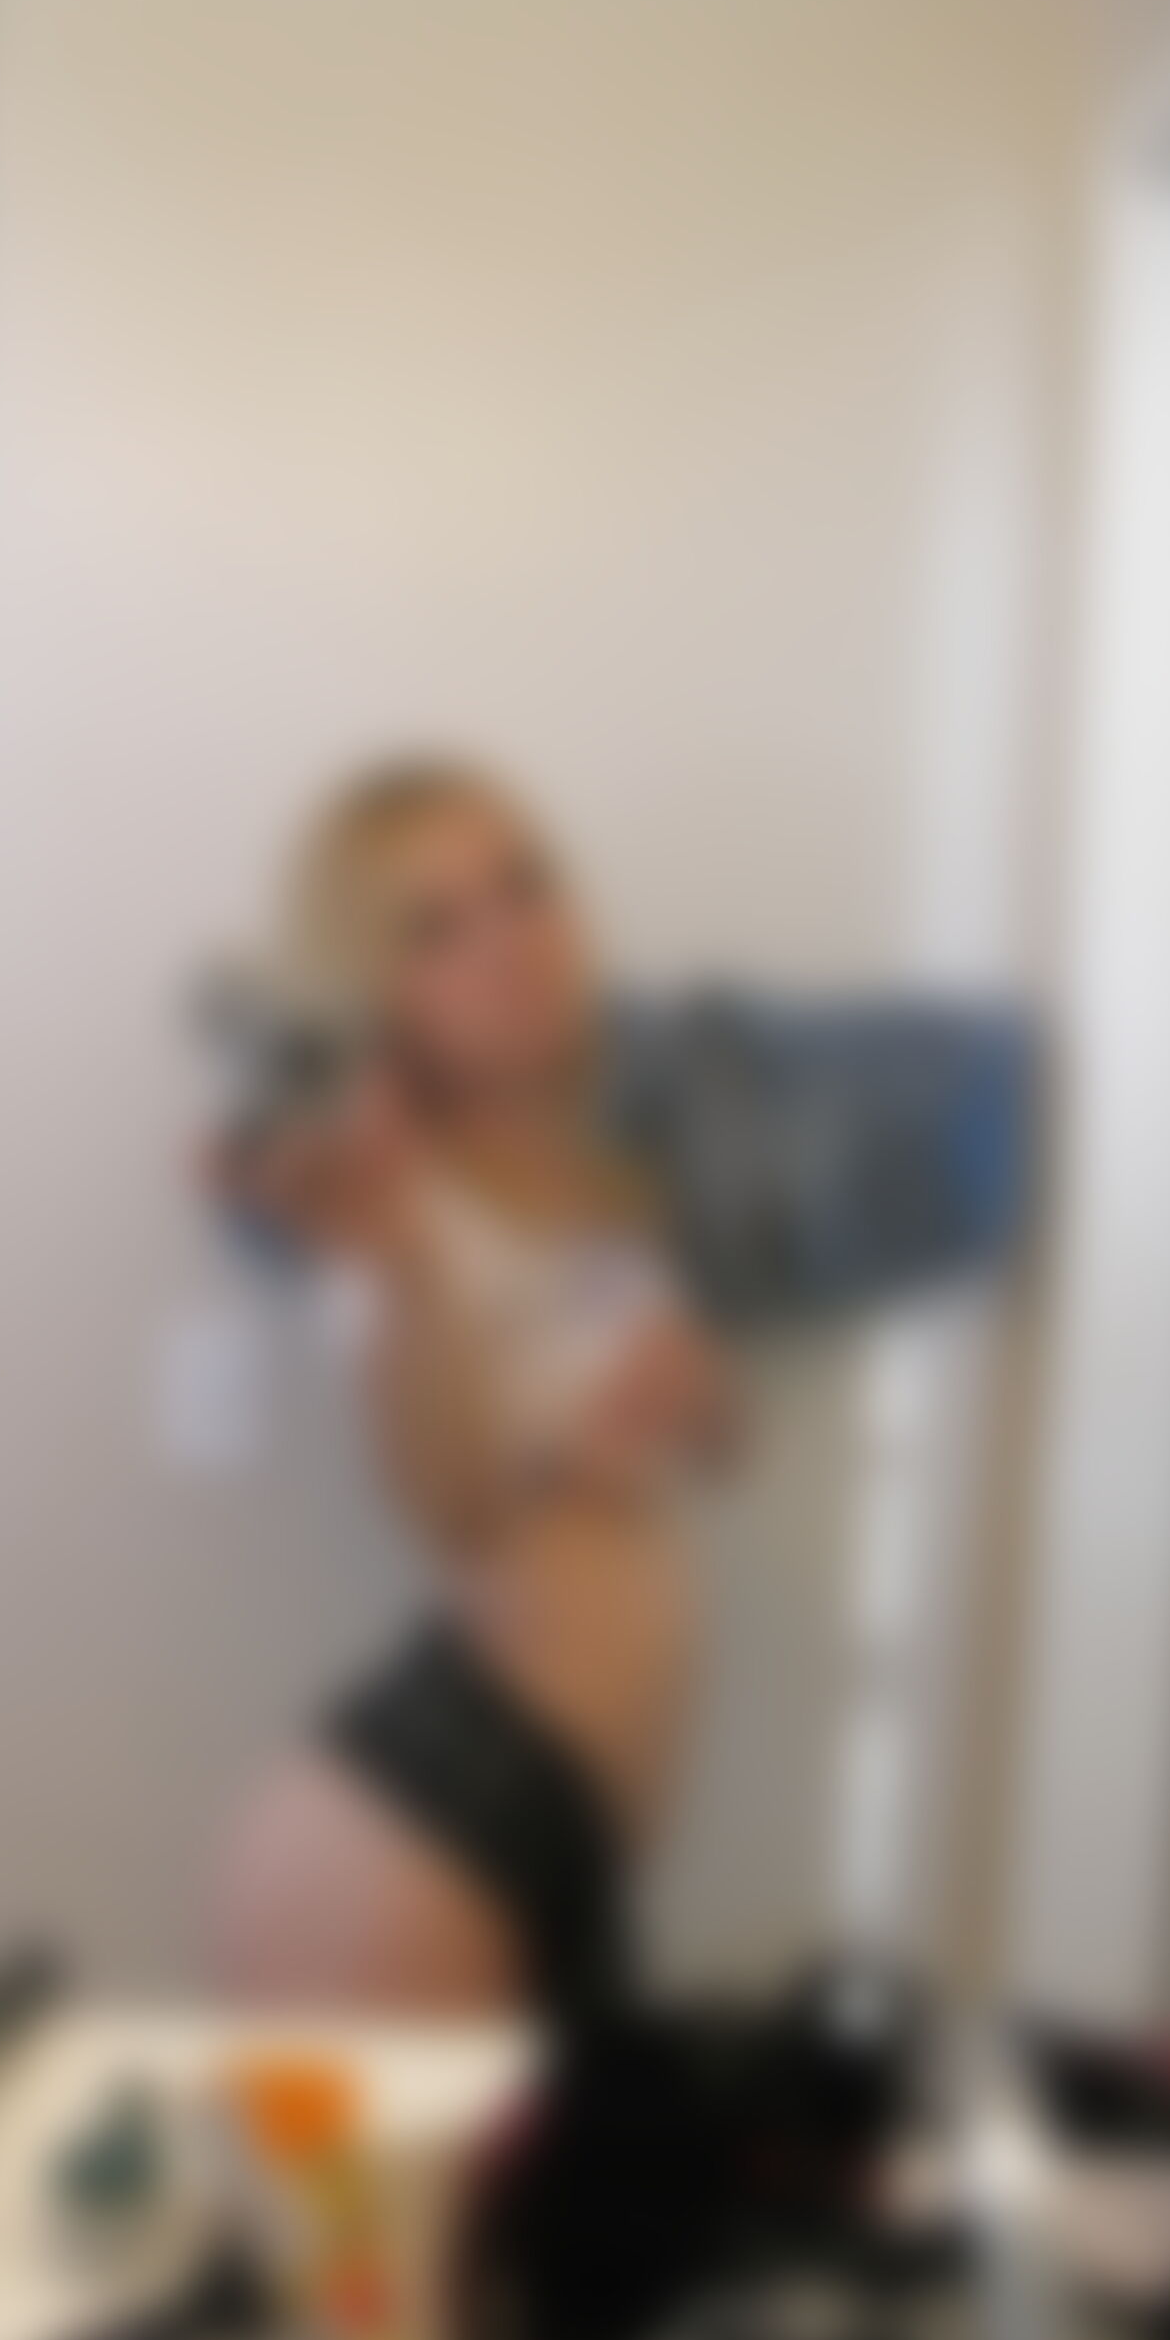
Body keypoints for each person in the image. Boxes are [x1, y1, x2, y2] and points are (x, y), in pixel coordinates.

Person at [207, 762, 742, 2017]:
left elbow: (713, 1451)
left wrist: (705, 1396)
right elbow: (449, 1508)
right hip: (436, 1828)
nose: (506, 942)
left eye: (523, 886)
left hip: (559, 1823)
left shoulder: (603, 1178)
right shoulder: (389, 1201)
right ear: (377, 996)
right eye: (435, 929)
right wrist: (401, 1262)